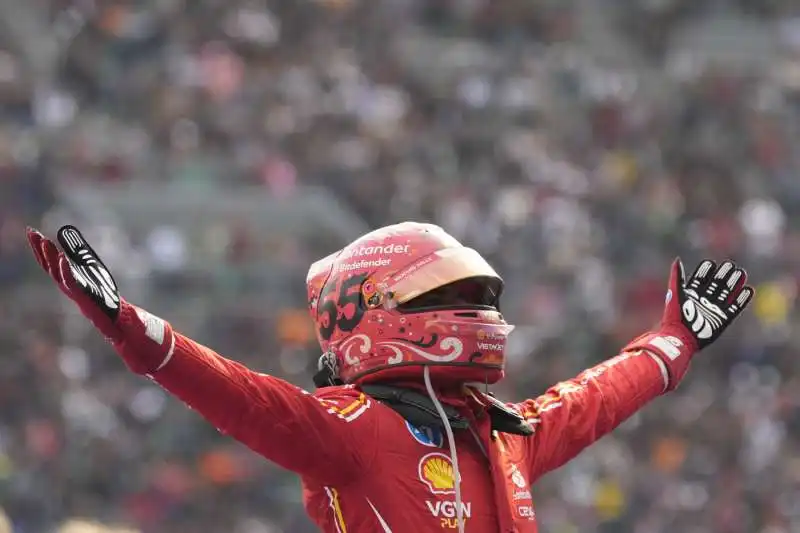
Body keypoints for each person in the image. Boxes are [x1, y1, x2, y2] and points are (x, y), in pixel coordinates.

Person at [26, 222, 754, 533]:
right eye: (442, 298)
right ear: (369, 313)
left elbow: (598, 396)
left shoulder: (506, 435)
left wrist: (675, 339)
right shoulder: (348, 430)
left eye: (473, 297)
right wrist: (128, 323)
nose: (473, 312)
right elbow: (239, 396)